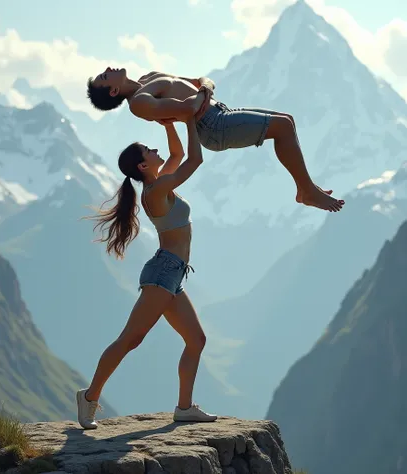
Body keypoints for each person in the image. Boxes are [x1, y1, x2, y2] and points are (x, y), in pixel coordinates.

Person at [77, 115, 217, 429]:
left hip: (173, 274)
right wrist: (191, 121)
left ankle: (184, 408)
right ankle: (89, 397)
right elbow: (194, 159)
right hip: (162, 273)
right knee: (131, 339)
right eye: (149, 150)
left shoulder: (160, 183)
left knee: (196, 339)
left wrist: (170, 123)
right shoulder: (155, 191)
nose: (156, 150)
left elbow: (177, 157)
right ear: (142, 166)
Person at [86, 68, 345, 213]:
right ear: (113, 91)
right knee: (284, 127)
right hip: (213, 127)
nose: (108, 69)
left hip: (221, 111)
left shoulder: (149, 78)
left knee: (286, 120)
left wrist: (205, 89)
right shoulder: (140, 103)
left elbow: (202, 80)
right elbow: (189, 108)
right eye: (105, 76)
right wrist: (203, 91)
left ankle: (306, 188)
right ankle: (306, 191)